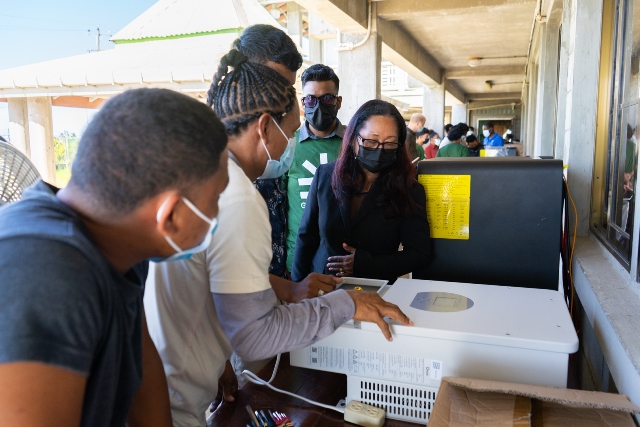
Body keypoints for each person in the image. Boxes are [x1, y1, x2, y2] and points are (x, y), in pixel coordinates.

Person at [145, 51, 412, 427]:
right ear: (265, 128)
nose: (291, 143)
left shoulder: (196, 171)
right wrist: (346, 303)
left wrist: (284, 292)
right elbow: (255, 336)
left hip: (160, 376)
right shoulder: (237, 195)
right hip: (172, 400)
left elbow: (206, 272)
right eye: (291, 131)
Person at [0, 88, 230, 427]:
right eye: (216, 197)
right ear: (170, 216)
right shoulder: (46, 279)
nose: (217, 212)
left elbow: (139, 356)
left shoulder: (116, 238)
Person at [292, 99, 432, 283]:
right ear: (352, 139)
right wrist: (297, 287)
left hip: (377, 290)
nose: (379, 150)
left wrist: (367, 263)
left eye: (389, 144)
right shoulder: (325, 175)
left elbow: (419, 253)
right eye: (371, 141)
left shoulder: (408, 189)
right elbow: (306, 237)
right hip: (323, 286)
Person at [238, 24, 303, 279]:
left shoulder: (272, 153)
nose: (283, 99)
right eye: (273, 86)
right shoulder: (216, 185)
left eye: (287, 89)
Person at [285, 64, 345, 273]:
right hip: (297, 259)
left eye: (327, 98)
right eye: (310, 99)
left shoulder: (354, 142)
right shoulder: (286, 144)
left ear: (338, 101)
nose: (317, 106)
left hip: (343, 260)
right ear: (303, 103)